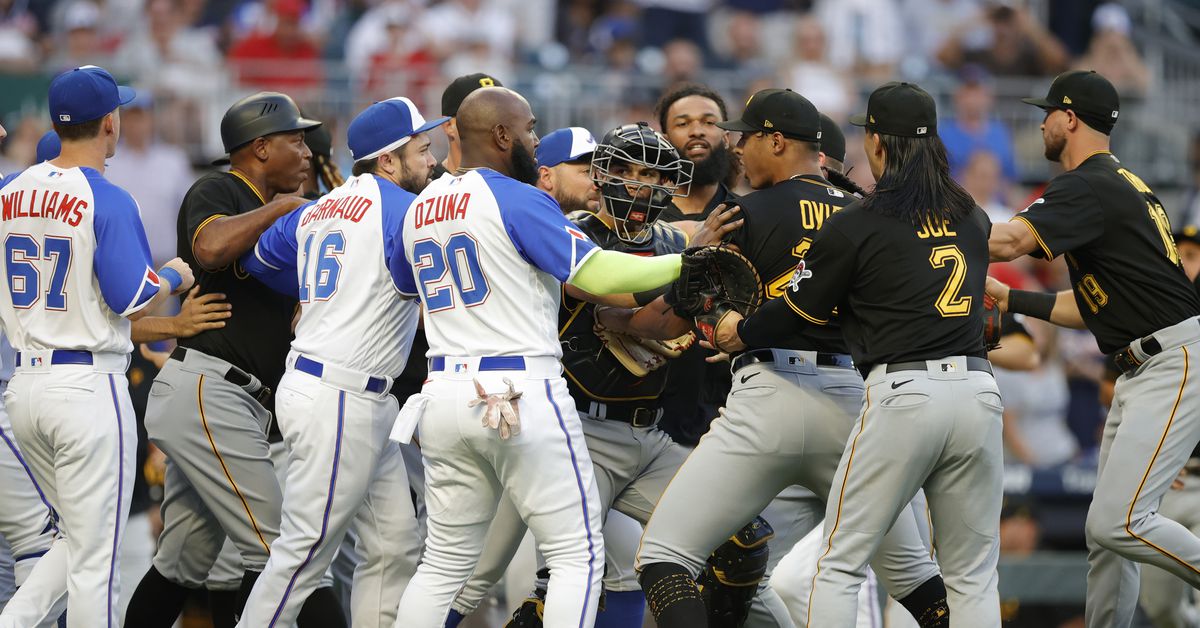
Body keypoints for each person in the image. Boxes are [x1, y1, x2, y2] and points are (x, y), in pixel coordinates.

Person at [629, 87, 949, 628]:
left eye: (745, 138)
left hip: (767, 396)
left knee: (664, 556)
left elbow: (669, 322)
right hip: (857, 404)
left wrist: (614, 315)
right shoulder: (871, 213)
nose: (736, 150)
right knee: (915, 576)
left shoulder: (739, 213)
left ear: (775, 141)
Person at [389, 86, 687, 627]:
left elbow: (405, 283)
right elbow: (596, 273)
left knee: (442, 565)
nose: (533, 137)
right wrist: (683, 263)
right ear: (502, 135)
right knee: (578, 554)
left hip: (443, 393)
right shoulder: (516, 196)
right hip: (518, 389)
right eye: (527, 128)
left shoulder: (420, 206)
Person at [716, 81, 1001, 625]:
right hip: (978, 390)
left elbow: (798, 310)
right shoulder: (973, 216)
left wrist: (741, 330)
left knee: (838, 564)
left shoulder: (861, 221)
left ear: (875, 142)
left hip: (905, 393)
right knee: (971, 575)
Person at [122, 91, 346, 627]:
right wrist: (281, 208)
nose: (306, 151)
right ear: (261, 147)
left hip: (234, 400)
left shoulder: (289, 214)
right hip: (210, 391)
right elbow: (209, 248)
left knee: (182, 562)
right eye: (295, 139)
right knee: (287, 554)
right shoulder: (219, 187)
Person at [988, 70, 1200, 628]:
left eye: (1048, 112)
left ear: (1071, 117)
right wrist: (1010, 297)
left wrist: (928, 234)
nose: (1041, 123)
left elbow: (1009, 239)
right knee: (1104, 538)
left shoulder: (1085, 184)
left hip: (1171, 359)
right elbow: (1094, 306)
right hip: (1145, 361)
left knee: (1119, 522)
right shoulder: (1121, 183)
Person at [0, 65, 196, 628]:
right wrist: (175, 277)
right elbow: (135, 299)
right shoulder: (106, 198)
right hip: (87, 387)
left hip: (25, 384)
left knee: (72, 542)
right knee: (96, 563)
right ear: (109, 123)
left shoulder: (11, 191)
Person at [235, 96, 437, 627]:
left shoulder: (318, 207)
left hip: (346, 393)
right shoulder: (404, 210)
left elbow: (258, 262)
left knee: (394, 541)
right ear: (388, 160)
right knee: (303, 554)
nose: (433, 160)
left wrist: (325, 291)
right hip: (340, 395)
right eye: (423, 149)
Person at [433, 72, 503, 179]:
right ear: (448, 126)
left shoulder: (520, 181)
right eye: (481, 115)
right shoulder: (425, 185)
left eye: (501, 115)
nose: (495, 126)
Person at [534, 126, 600, 214]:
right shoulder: (523, 224)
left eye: (600, 173)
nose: (599, 185)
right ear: (546, 177)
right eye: (588, 172)